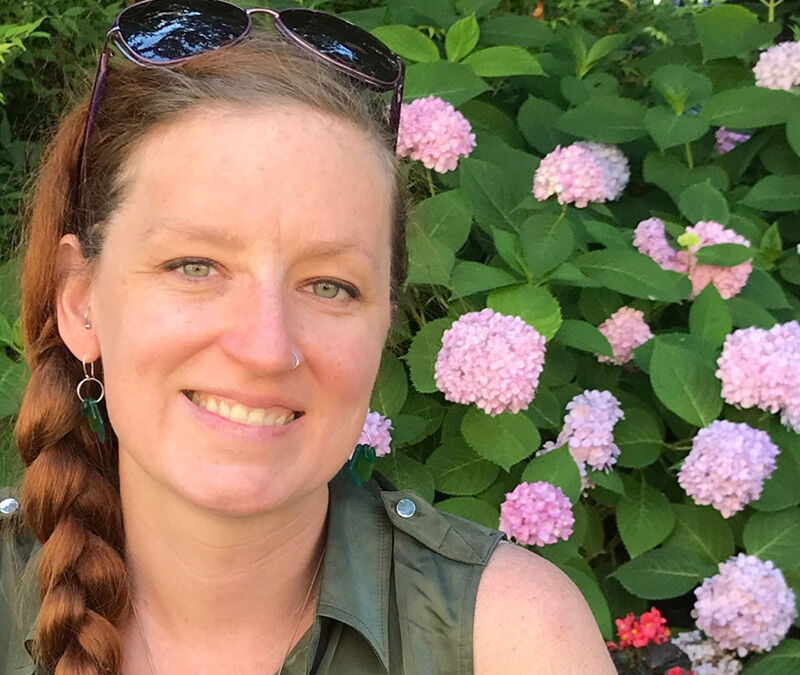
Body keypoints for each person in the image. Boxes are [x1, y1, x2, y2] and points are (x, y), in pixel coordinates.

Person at [0, 2, 616, 673]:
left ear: (384, 322)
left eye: (330, 286)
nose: (267, 348)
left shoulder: (514, 639)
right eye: (195, 266)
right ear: (80, 301)